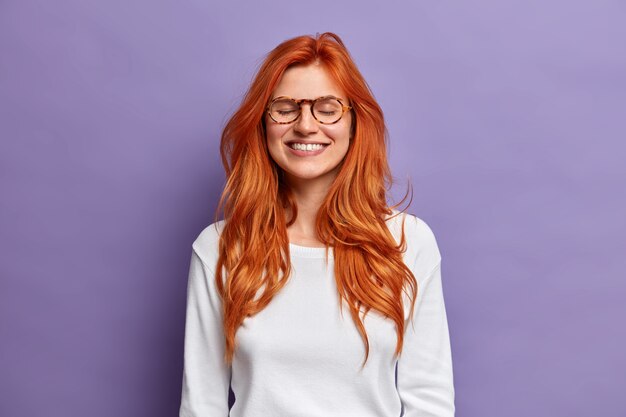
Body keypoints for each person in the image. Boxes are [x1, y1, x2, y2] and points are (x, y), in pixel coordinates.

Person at [179, 32, 455, 417]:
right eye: (285, 108)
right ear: (262, 122)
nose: (306, 126)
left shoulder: (409, 242)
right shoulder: (218, 248)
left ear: (356, 122)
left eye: (327, 108)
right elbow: (201, 407)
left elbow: (430, 402)